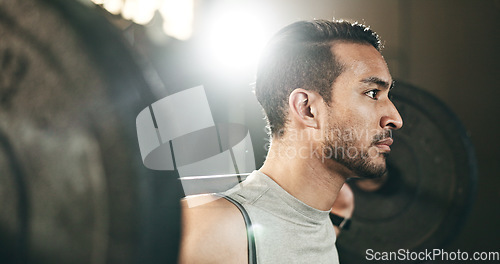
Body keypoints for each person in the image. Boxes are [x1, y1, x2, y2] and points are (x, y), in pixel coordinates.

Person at [178, 19, 403, 264]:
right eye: (372, 93)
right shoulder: (212, 228)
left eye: (387, 95)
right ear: (307, 109)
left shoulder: (323, 224)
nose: (395, 118)